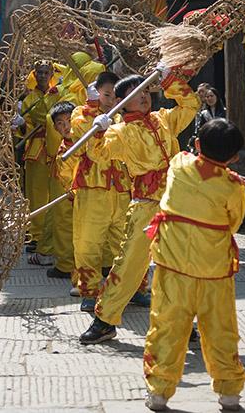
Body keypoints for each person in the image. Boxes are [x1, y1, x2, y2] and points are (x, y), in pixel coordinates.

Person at [79, 63, 200, 344]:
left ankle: (183, 321)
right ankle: (105, 320)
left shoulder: (164, 118)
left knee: (180, 263)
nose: (144, 96)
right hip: (146, 204)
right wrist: (98, 129)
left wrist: (170, 78)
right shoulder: (121, 131)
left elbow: (190, 104)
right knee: (129, 264)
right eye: (135, 93)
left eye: (145, 90)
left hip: (176, 201)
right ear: (122, 103)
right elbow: (97, 154)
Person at [143, 119, 245, 412]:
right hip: (214, 271)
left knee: (166, 328)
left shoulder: (178, 165)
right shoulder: (232, 188)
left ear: (198, 144)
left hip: (173, 268)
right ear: (234, 157)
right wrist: (233, 181)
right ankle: (229, 395)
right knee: (221, 330)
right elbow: (233, 223)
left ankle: (159, 393)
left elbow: (190, 163)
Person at [69, 72, 132, 313]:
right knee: (88, 242)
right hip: (92, 187)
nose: (111, 100)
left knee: (126, 241)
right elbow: (78, 136)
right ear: (96, 93)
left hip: (123, 187)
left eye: (116, 96)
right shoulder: (81, 113)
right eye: (106, 95)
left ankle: (132, 288)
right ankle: (90, 290)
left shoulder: (125, 115)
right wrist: (93, 109)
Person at [13, 60, 66, 265]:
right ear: (35, 73)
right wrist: (21, 124)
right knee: (35, 194)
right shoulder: (30, 98)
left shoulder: (59, 93)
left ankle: (50, 237)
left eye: (46, 72)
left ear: (52, 73)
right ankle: (36, 236)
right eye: (40, 72)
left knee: (54, 194)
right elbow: (26, 125)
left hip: (57, 146)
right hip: (36, 149)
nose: (43, 75)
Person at [47, 101, 78, 282]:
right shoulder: (62, 149)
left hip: (89, 191)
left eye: (69, 120)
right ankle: (66, 264)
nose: (66, 126)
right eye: (60, 123)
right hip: (69, 191)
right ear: (55, 127)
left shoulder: (88, 139)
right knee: (64, 224)